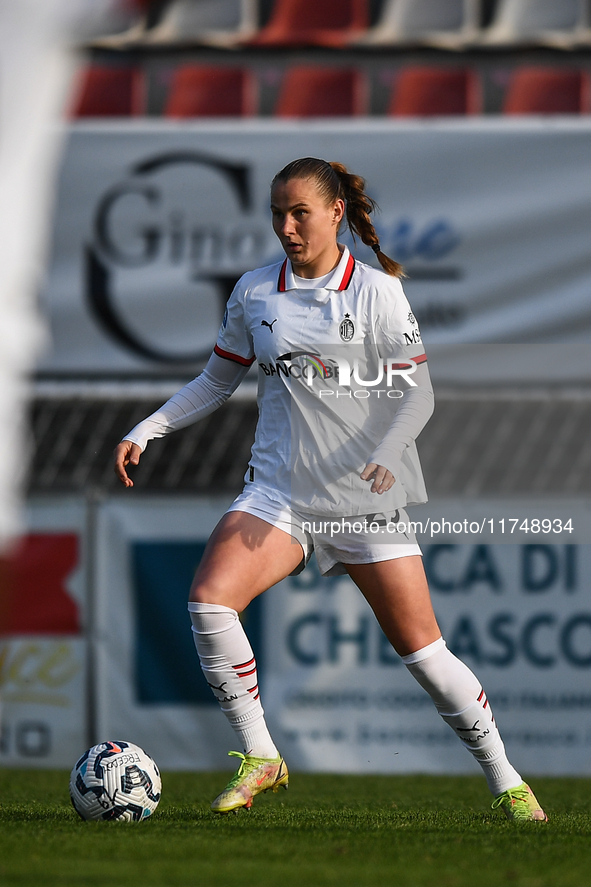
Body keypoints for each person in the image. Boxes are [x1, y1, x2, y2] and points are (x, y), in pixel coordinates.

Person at [114, 157, 547, 822]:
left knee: (425, 654)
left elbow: (416, 393)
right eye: (276, 213)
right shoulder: (256, 293)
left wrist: (387, 450)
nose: (286, 227)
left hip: (365, 497)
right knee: (208, 601)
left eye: (300, 213)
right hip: (278, 493)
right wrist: (150, 426)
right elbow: (216, 379)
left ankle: (507, 780)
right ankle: (262, 755)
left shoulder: (376, 292)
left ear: (335, 212)